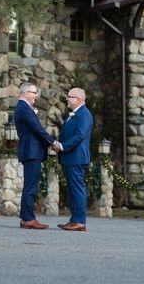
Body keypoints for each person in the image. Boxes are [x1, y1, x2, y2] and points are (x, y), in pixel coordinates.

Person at [14, 82, 59, 230]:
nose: (36, 96)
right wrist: (52, 142)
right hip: (31, 152)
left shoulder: (23, 107)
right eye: (34, 93)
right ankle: (28, 219)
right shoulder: (24, 108)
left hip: (31, 151)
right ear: (25, 93)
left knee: (30, 186)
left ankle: (26, 218)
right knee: (30, 187)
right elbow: (37, 129)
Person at [52, 87, 93, 231]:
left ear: (78, 99)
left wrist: (62, 146)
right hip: (70, 158)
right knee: (72, 190)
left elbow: (79, 136)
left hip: (76, 158)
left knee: (77, 189)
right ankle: (74, 219)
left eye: (69, 96)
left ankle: (80, 221)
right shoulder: (75, 114)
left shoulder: (84, 115)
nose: (67, 99)